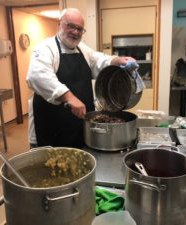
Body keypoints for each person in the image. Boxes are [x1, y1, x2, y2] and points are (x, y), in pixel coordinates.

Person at [26, 8, 135, 148]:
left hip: (79, 127)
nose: (75, 32)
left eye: (80, 29)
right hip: (50, 130)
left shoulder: (82, 49)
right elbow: (37, 76)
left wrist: (117, 60)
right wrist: (68, 97)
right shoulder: (46, 48)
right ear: (59, 24)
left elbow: (98, 60)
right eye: (71, 26)